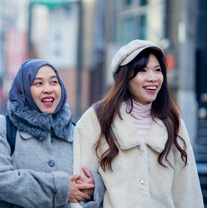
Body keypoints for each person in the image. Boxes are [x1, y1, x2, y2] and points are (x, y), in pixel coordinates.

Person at [72, 39, 204, 208]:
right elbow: (82, 190)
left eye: (157, 70)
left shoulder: (173, 122)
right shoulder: (97, 118)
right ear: (125, 77)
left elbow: (187, 189)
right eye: (142, 71)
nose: (152, 78)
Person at [0, 59, 104, 208]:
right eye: (38, 83)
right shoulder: (2, 127)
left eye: (53, 82)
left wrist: (93, 187)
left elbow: (100, 175)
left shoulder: (76, 133)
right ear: (23, 90)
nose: (48, 89)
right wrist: (61, 189)